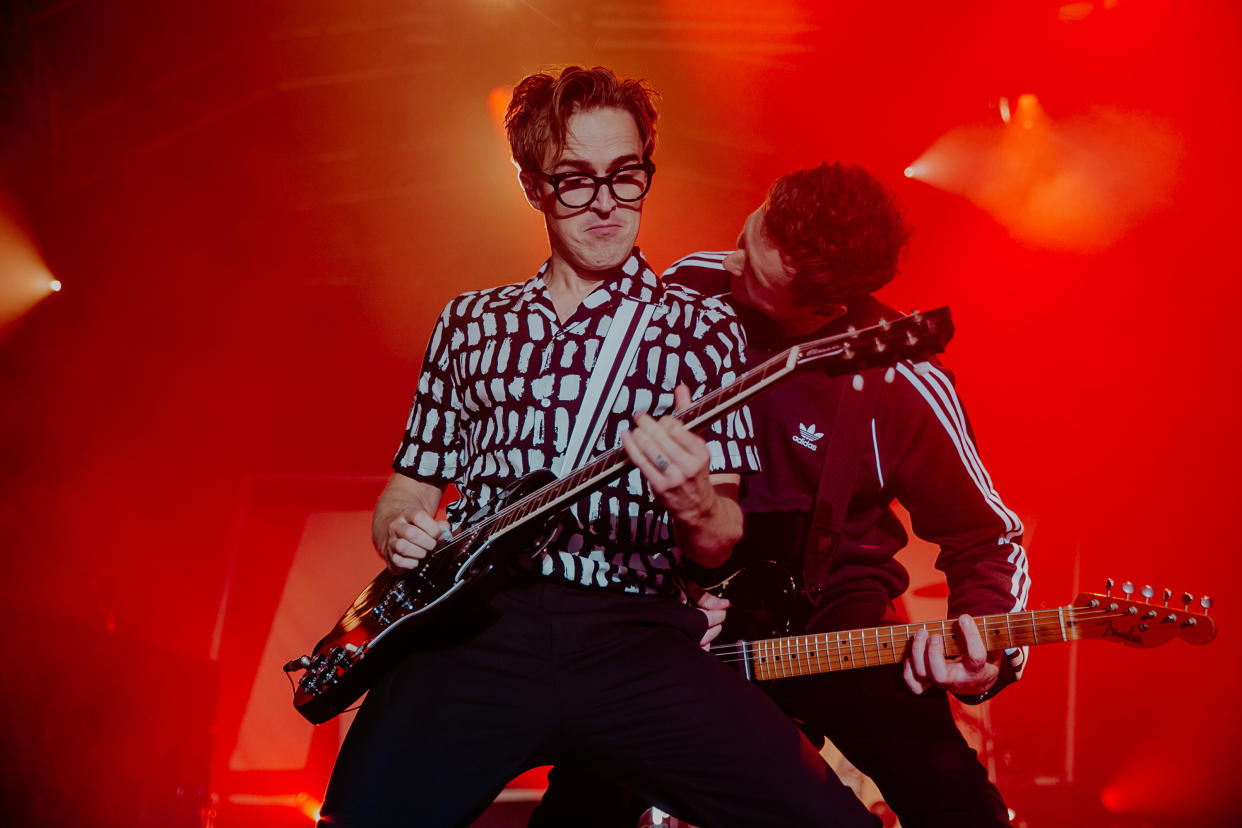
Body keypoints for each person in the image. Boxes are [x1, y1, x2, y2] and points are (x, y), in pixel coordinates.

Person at [316, 68, 878, 828]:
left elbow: (719, 541)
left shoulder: (704, 328)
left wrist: (694, 501)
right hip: (479, 630)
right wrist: (403, 531)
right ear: (531, 187)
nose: (608, 202)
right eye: (576, 181)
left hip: (635, 631)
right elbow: (409, 489)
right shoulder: (468, 323)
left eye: (627, 175)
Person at [532, 162, 1029, 827]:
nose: (732, 262)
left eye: (757, 276)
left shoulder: (903, 380)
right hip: (678, 616)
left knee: (957, 801)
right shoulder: (686, 288)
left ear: (826, 307)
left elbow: (986, 537)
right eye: (751, 229)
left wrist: (986, 653)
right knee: (583, 804)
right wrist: (661, 596)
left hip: (833, 617)